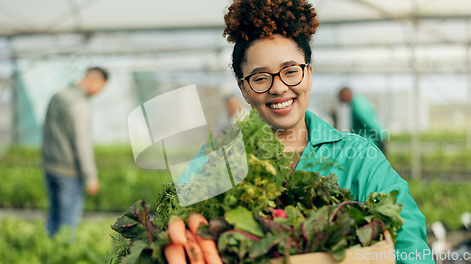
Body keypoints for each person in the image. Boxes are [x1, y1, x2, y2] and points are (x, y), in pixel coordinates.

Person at [167, 0, 434, 263]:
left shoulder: (360, 158)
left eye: (291, 71)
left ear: (309, 75)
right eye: (260, 78)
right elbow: (176, 226)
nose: (279, 88)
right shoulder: (216, 159)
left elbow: (410, 247)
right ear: (244, 90)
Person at [42, 67, 108, 237]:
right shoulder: (80, 105)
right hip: (69, 173)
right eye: (101, 88)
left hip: (50, 168)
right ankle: (64, 257)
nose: (99, 93)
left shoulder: (57, 97)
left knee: (54, 218)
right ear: (95, 81)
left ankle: (49, 255)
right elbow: (82, 142)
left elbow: (47, 131)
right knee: (67, 225)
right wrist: (91, 175)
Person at [339, 86, 387, 153]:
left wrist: (380, 137)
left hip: (369, 141)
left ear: (345, 95)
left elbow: (369, 122)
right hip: (365, 141)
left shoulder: (358, 104)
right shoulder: (358, 101)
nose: (340, 99)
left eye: (340, 96)